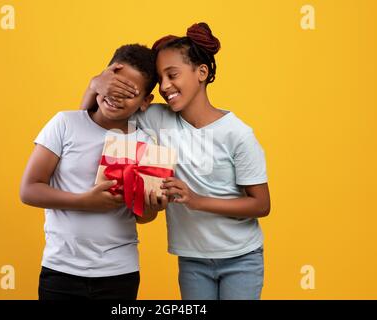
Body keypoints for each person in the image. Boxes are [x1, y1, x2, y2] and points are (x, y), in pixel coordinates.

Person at [81, 23, 271, 300]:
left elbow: (261, 205)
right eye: (160, 79)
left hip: (241, 258)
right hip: (192, 259)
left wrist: (196, 200)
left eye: (173, 75)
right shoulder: (157, 118)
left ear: (202, 73)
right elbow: (93, 119)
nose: (165, 86)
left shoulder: (237, 134)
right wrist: (95, 83)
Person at [20, 44, 168, 300]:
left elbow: (143, 218)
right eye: (114, 86)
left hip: (119, 272)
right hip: (61, 269)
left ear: (145, 102)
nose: (117, 97)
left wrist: (152, 204)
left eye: (130, 93)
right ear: (101, 81)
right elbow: (29, 190)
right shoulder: (65, 124)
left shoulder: (145, 143)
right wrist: (84, 201)